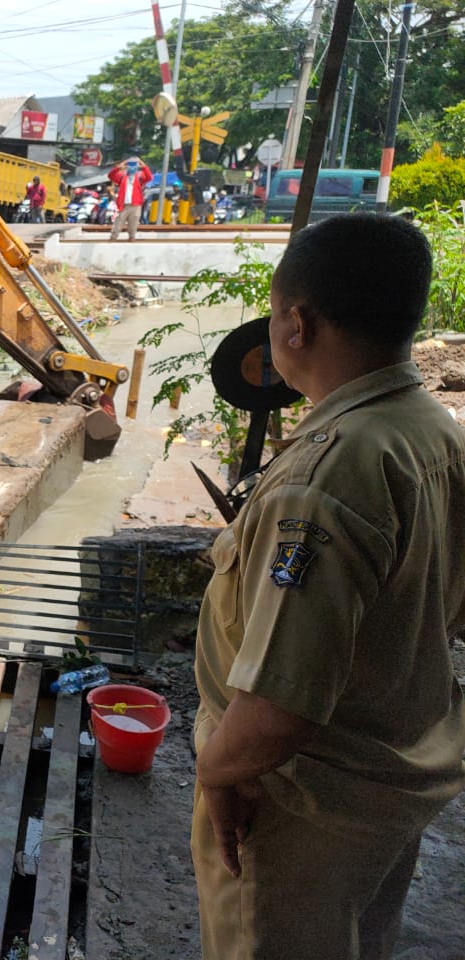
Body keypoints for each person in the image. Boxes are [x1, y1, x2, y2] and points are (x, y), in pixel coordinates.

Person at [191, 213, 465, 960]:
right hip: (386, 777)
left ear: (296, 324)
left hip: (294, 802)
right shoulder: (432, 431)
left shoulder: (324, 481)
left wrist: (218, 768)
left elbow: (281, 706)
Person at [107, 156, 152, 240]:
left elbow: (149, 177)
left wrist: (143, 166)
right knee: (119, 221)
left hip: (136, 204)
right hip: (124, 204)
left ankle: (132, 238)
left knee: (133, 223)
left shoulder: (139, 178)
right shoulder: (122, 177)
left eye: (134, 165)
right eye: (130, 165)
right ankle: (113, 237)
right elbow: (111, 175)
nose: (132, 168)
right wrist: (120, 166)